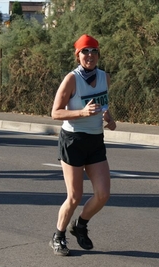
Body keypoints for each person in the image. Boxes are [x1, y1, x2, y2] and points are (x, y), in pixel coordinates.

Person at [49, 34, 116, 256]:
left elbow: (103, 104)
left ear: (98, 54)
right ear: (78, 55)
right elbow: (55, 112)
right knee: (75, 196)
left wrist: (109, 118)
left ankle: (80, 224)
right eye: (85, 51)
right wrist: (81, 112)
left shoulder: (104, 76)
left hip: (95, 140)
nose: (90, 55)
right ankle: (58, 236)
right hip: (73, 140)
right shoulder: (71, 79)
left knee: (103, 194)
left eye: (93, 51)